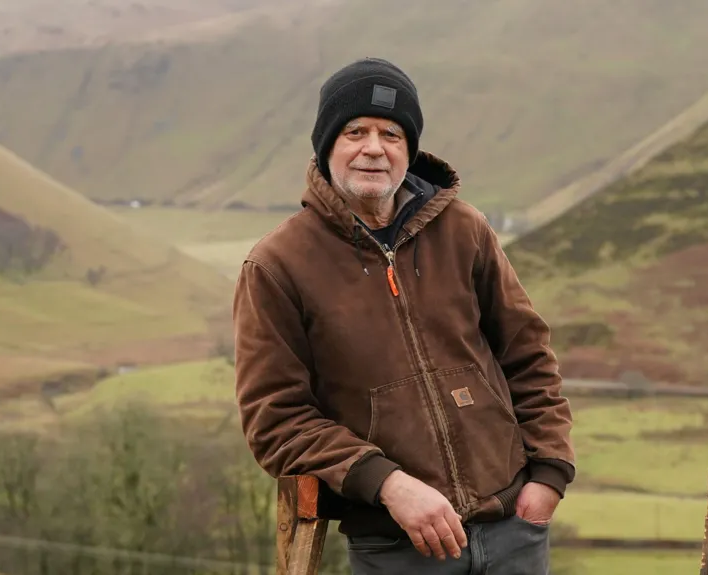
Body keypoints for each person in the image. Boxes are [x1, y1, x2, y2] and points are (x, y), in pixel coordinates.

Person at [233, 57, 576, 574]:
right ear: (326, 145)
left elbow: (527, 354)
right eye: (355, 131)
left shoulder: (465, 230)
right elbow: (276, 421)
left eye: (392, 134)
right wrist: (389, 484)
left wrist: (548, 475)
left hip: (514, 532)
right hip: (398, 549)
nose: (374, 148)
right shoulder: (277, 265)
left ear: (409, 150)